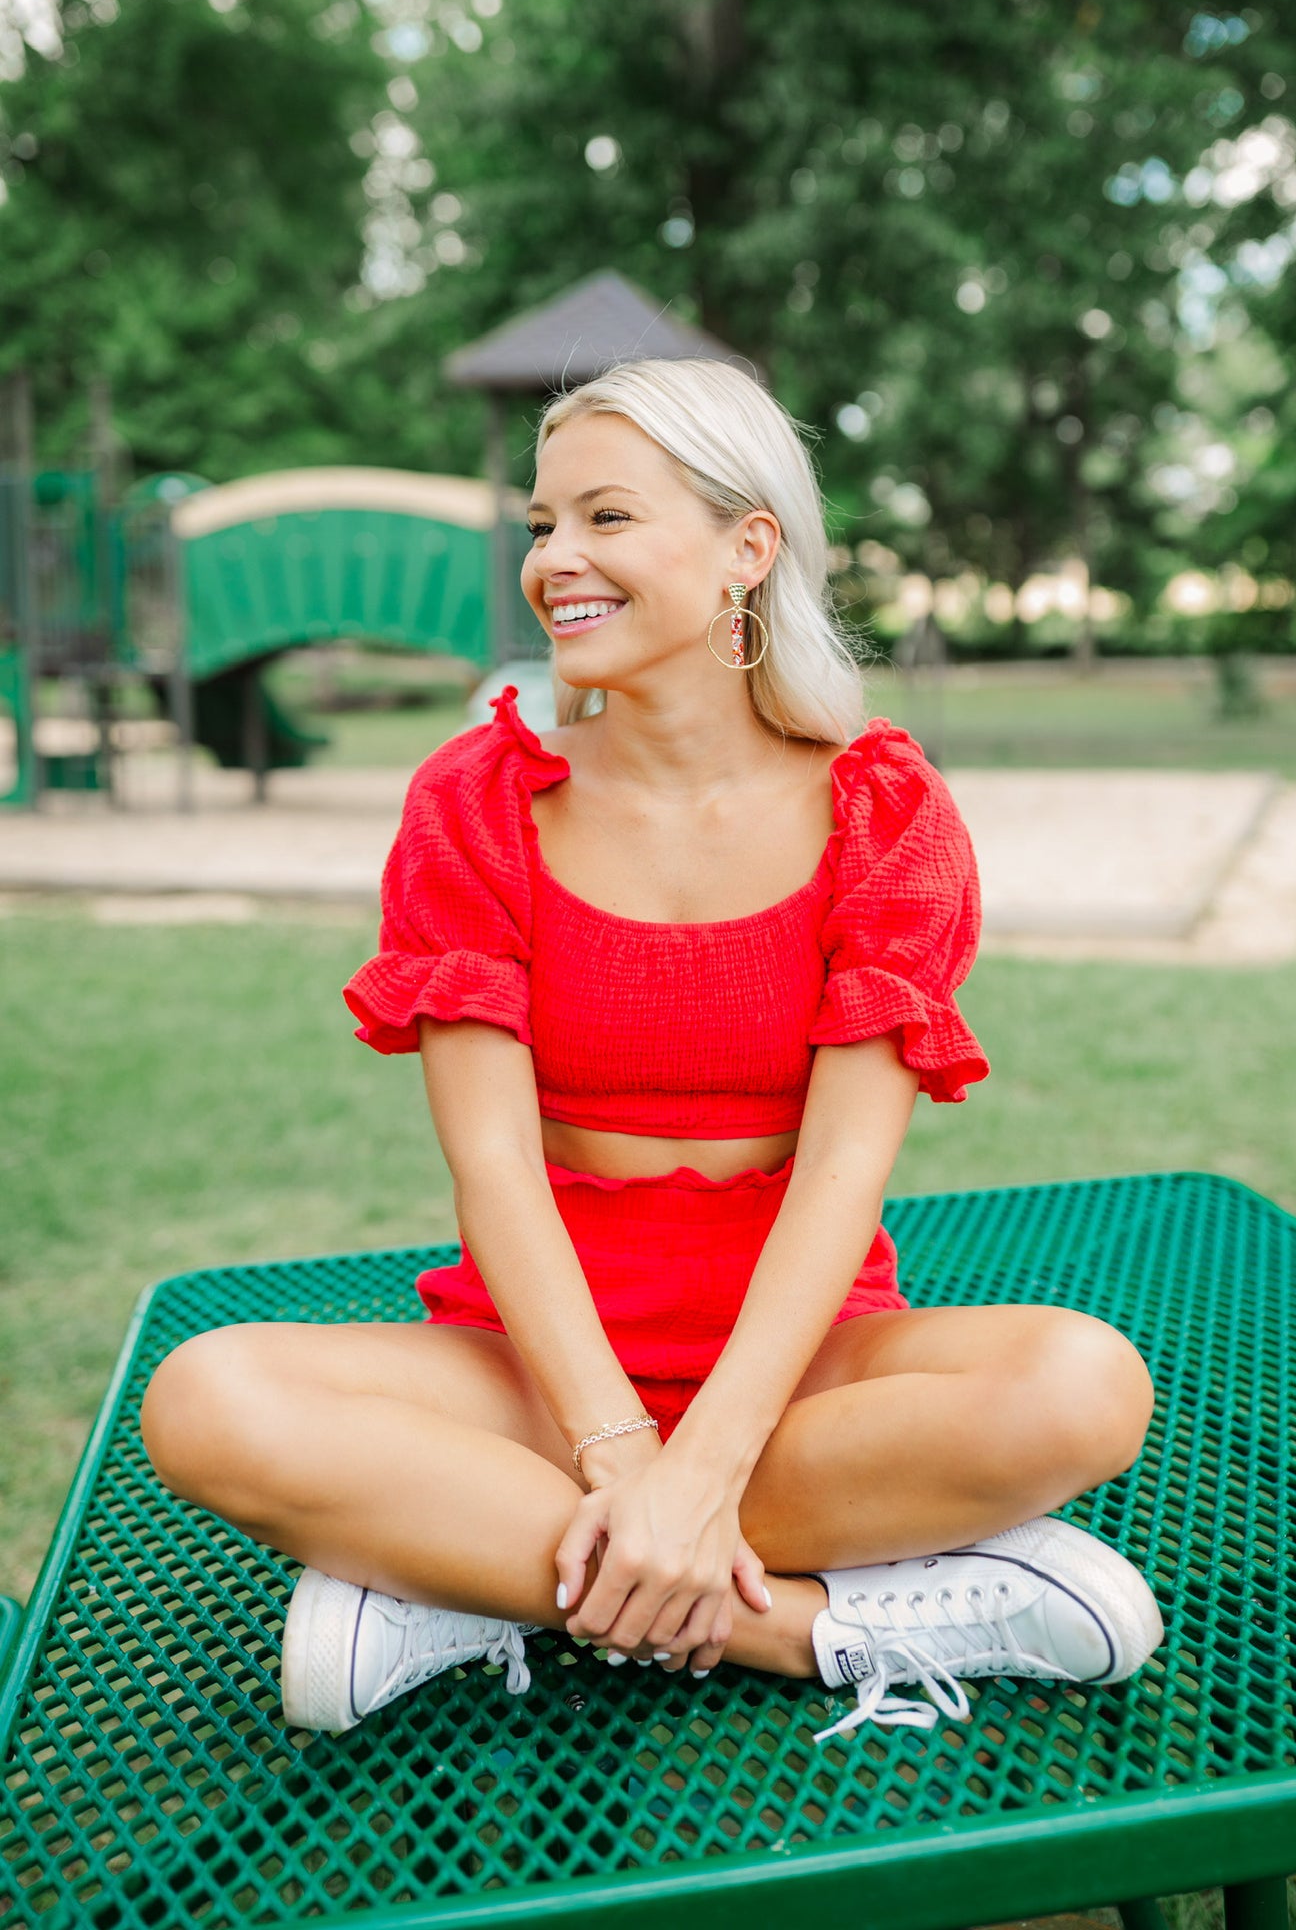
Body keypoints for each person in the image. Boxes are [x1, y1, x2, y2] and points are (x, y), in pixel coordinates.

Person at [141, 358, 1162, 1743]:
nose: (554, 559)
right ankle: (822, 1627)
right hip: (535, 1362)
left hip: (795, 1366)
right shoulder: (475, 803)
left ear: (749, 548)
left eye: (605, 519)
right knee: (209, 1399)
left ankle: (458, 1577)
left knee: (1083, 1384)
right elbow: (492, 1165)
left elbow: (841, 1178)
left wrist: (707, 1461)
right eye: (544, 523)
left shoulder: (883, 815)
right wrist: (624, 1453)